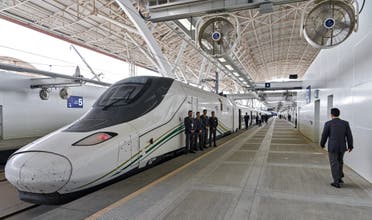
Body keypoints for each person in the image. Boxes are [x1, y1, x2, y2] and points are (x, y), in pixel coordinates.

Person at [320, 108, 353, 188]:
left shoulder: (328, 123)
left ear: (331, 115)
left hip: (333, 147)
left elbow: (324, 135)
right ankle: (339, 178)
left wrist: (322, 144)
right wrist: (350, 146)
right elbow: (349, 135)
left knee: (334, 163)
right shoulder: (345, 123)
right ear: (339, 114)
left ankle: (336, 182)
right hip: (342, 147)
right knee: (340, 162)